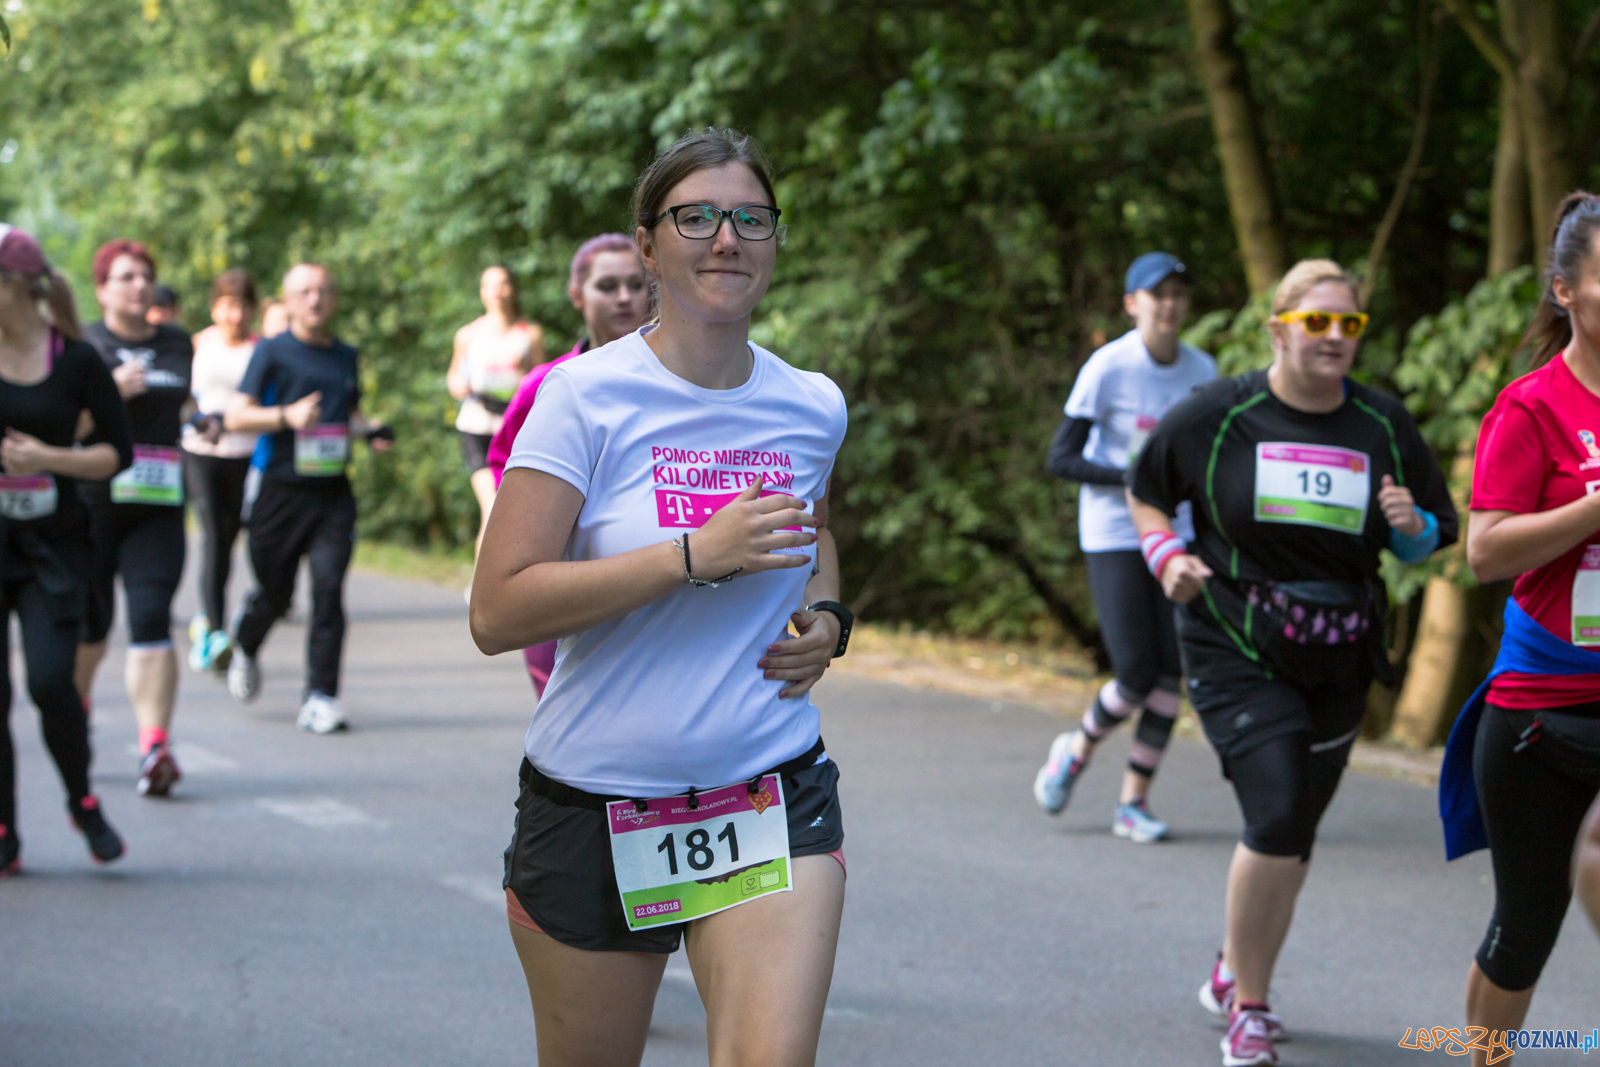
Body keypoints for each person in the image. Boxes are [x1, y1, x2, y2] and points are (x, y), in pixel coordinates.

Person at [471, 128, 852, 1067]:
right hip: (595, 802)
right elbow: (498, 608)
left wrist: (831, 620)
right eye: (697, 216)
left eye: (751, 218)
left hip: (769, 788)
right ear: (647, 245)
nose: (728, 237)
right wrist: (691, 555)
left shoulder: (810, 403)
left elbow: (815, 534)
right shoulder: (580, 398)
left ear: (774, 240)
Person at [1127, 258, 1456, 1067]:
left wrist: (1410, 525)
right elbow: (1143, 488)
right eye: (1318, 322)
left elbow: (1433, 532)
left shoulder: (1381, 424)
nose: (1336, 337)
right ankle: (1253, 1006)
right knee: (1274, 814)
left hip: (1341, 645)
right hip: (1234, 635)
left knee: (1294, 831)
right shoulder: (1219, 413)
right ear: (1279, 328)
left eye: (1350, 324)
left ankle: (1235, 963)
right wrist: (1166, 550)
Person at [1435, 192, 1600, 1067]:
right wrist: (1594, 507)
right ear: (1567, 291)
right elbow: (1485, 552)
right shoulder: (1531, 407)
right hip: (1543, 709)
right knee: (1524, 926)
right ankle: (1483, 1059)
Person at [1033, 252, 1216, 842]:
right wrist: (1137, 479)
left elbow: (1212, 458)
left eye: (1178, 295)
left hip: (1177, 534)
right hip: (1115, 533)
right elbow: (1061, 459)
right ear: (1132, 304)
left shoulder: (1202, 370)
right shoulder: (1108, 367)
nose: (1168, 305)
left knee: (1172, 676)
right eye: (1155, 294)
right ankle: (1077, 748)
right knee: (1136, 672)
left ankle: (1133, 803)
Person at [0, 224, 134, 872]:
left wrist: (48, 457)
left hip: (53, 549)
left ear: (17, 287)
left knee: (53, 682)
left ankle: (81, 798)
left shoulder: (77, 360)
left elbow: (118, 451)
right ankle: (5, 828)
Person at [222, 263, 392, 734]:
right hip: (280, 493)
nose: (315, 300)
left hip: (332, 495)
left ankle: (321, 696)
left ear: (334, 298)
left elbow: (349, 412)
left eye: (323, 290)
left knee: (328, 591)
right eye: (305, 292)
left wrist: (370, 430)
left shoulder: (345, 355)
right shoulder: (272, 353)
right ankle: (247, 641)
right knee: (274, 596)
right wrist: (286, 416)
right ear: (289, 301)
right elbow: (236, 416)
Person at [484, 233, 648, 695]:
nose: (624, 298)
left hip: (651, 589)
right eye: (608, 286)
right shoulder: (546, 385)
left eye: (637, 285)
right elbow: (501, 467)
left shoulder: (680, 386)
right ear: (577, 295)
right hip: (557, 584)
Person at [77, 239, 194, 798]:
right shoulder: (82, 347)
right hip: (91, 505)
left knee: (151, 615)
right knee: (90, 625)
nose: (139, 285)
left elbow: (187, 406)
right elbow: (59, 423)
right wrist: (109, 395)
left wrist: (206, 421)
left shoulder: (177, 343)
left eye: (145, 275)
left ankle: (155, 746)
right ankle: (73, 720)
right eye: (125, 277)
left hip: (158, 503)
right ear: (102, 289)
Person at [182, 269, 260, 672]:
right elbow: (181, 396)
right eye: (228, 305)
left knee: (231, 536)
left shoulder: (261, 349)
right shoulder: (198, 343)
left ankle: (209, 620)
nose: (235, 314)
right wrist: (199, 419)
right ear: (215, 307)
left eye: (243, 306)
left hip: (245, 454)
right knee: (214, 533)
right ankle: (213, 629)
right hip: (201, 450)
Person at [447, 266, 543, 557]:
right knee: (491, 506)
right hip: (476, 426)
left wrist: (523, 367)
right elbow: (452, 378)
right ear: (481, 291)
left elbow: (542, 383)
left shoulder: (531, 334)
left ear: (513, 289)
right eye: (488, 285)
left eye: (502, 284)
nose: (496, 292)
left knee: (513, 512)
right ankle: (482, 592)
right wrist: (459, 385)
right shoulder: (467, 334)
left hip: (514, 428)